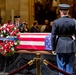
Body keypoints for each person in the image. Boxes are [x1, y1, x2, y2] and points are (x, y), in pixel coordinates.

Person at [51, 4, 76, 75]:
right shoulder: (73, 21)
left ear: (60, 11)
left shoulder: (56, 22)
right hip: (71, 45)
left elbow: (53, 36)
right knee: (69, 67)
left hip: (60, 45)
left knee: (61, 68)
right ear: (68, 11)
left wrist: (53, 48)